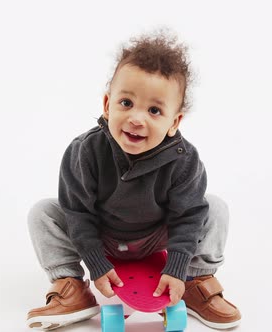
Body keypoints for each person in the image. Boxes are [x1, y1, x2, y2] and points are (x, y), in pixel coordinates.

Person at [26, 30, 241, 330]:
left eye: (154, 110)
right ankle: (71, 285)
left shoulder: (184, 160)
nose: (137, 119)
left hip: (155, 236)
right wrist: (96, 263)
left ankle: (195, 280)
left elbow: (187, 217)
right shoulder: (84, 151)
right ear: (107, 104)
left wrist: (177, 267)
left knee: (214, 208)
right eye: (126, 103)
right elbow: (78, 214)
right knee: (43, 212)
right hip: (103, 235)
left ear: (174, 122)